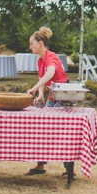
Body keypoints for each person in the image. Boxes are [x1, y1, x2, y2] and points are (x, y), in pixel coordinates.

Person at [23, 26, 71, 179]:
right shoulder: (40, 60)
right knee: (42, 130)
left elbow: (50, 73)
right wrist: (40, 94)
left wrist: (34, 89)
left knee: (63, 133)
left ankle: (69, 170)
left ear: (40, 44)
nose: (30, 46)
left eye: (32, 44)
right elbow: (43, 78)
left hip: (63, 97)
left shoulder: (51, 57)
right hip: (52, 97)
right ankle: (40, 165)